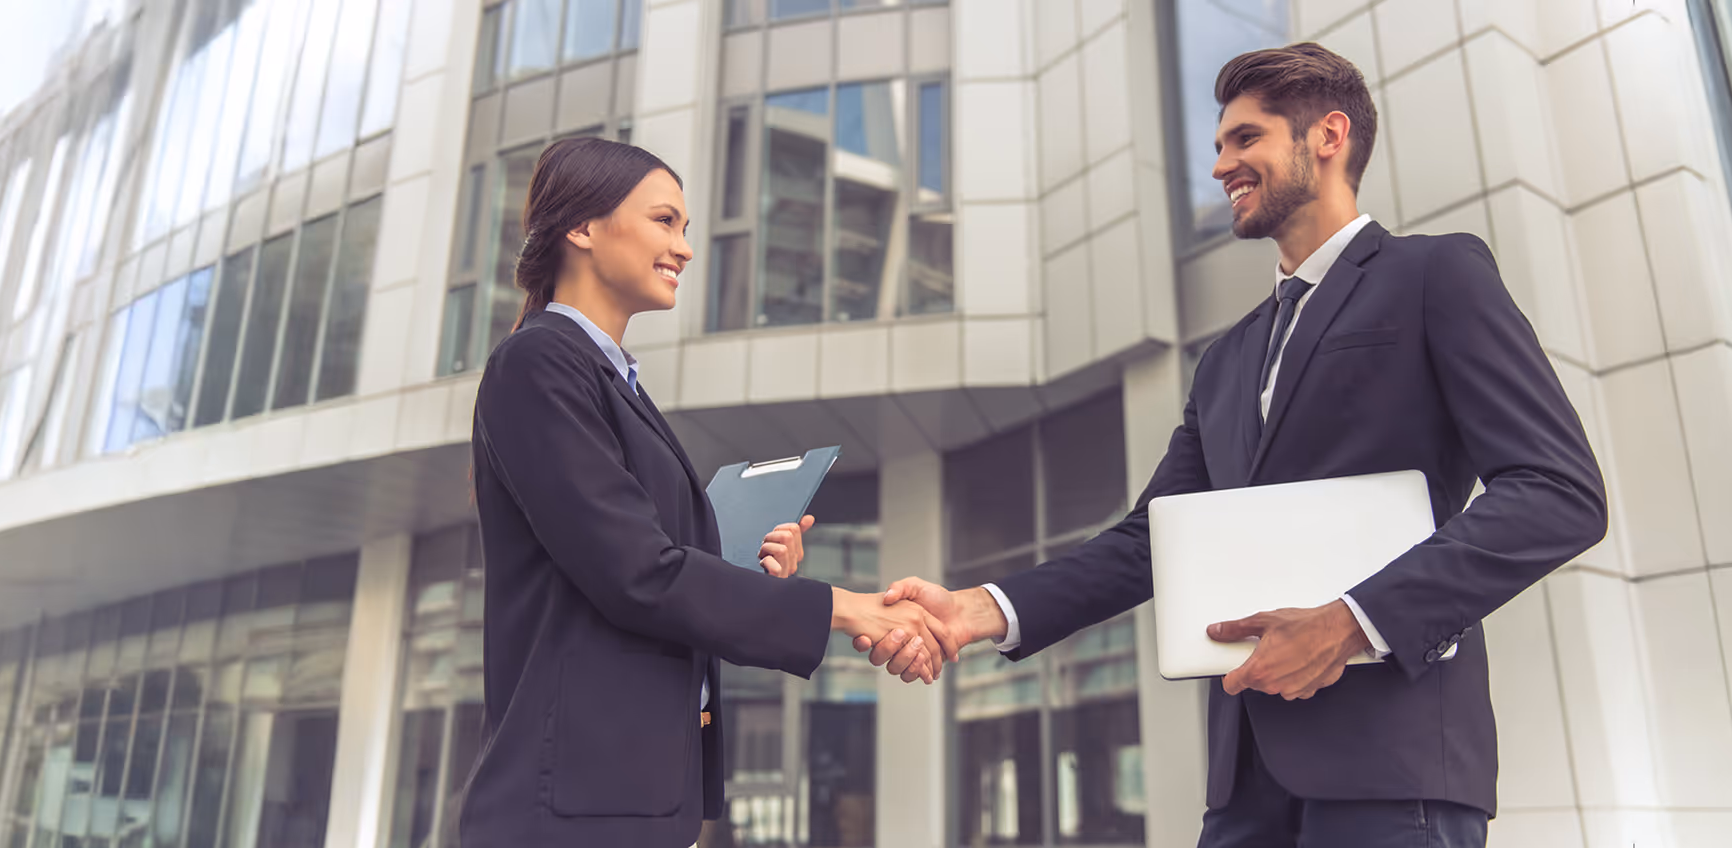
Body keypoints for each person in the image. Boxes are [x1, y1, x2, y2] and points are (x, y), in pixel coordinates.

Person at [866, 43, 1606, 847]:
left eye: (1244, 139)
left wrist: (1352, 622)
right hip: (1245, 783)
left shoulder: (1435, 274)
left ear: (1327, 136)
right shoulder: (1225, 360)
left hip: (1392, 771)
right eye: (1219, 145)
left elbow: (1557, 491)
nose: (1221, 166)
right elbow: (1149, 540)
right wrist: (979, 610)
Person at [459, 137, 953, 847]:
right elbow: (635, 573)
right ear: (583, 228)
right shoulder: (539, 363)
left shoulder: (610, 381)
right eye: (664, 221)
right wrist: (846, 610)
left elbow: (636, 563)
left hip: (631, 801)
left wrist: (741, 570)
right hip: (568, 814)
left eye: (685, 228)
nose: (685, 248)